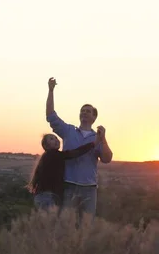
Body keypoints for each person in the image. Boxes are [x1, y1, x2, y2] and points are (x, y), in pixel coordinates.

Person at [45, 77, 113, 221]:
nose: (84, 113)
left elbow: (107, 159)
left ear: (94, 117)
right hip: (69, 186)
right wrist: (51, 90)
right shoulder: (68, 131)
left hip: (90, 188)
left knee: (86, 227)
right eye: (82, 111)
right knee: (66, 225)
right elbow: (51, 116)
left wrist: (103, 139)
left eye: (88, 111)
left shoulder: (98, 137)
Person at [28, 133, 96, 211]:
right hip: (48, 196)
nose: (56, 140)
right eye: (51, 139)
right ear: (46, 146)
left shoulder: (47, 156)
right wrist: (92, 144)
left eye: (56, 138)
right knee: (51, 221)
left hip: (43, 196)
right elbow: (74, 153)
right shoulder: (53, 155)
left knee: (48, 221)